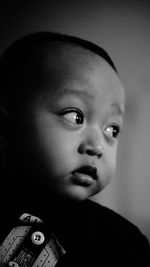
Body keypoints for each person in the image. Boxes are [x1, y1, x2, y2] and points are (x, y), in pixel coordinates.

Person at [0, 31, 149, 266]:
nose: (97, 147)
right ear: (6, 126)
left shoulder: (123, 240)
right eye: (75, 116)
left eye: (112, 130)